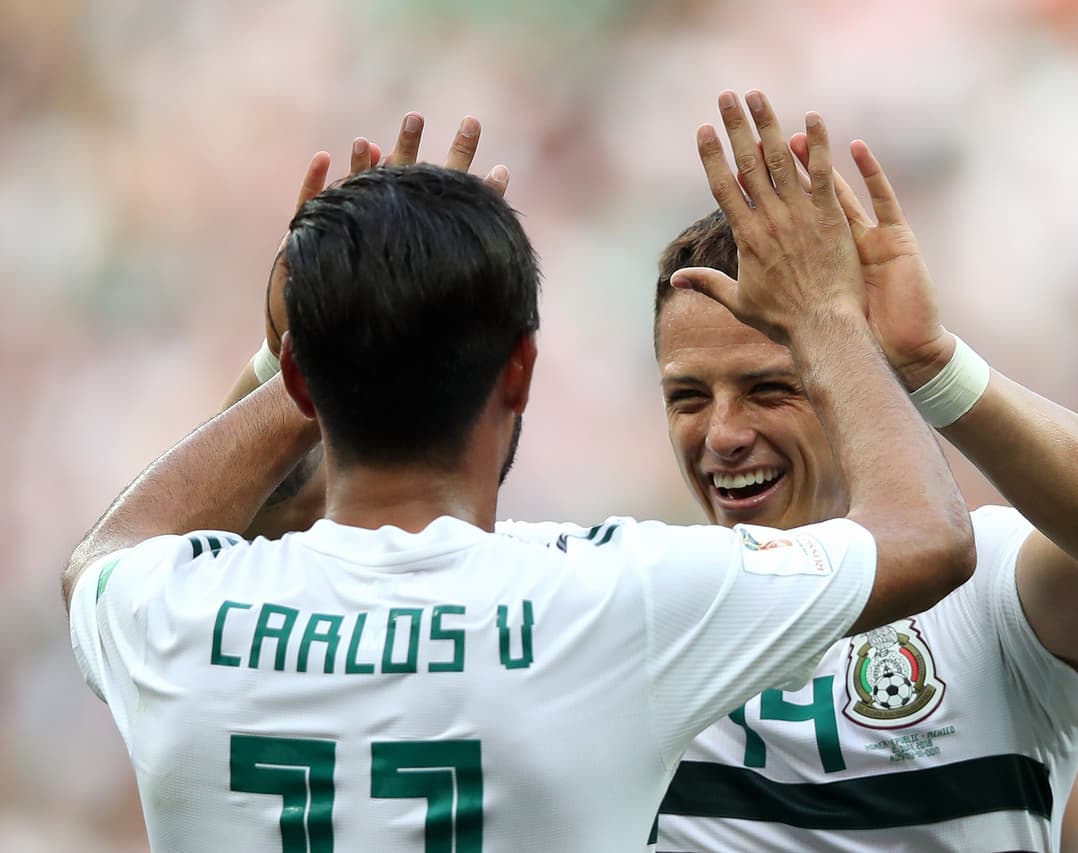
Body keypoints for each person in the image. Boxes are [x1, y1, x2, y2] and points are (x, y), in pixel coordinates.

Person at [63, 95, 976, 852]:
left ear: (303, 379)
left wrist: (324, 333)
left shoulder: (170, 613)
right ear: (521, 370)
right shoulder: (615, 599)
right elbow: (928, 535)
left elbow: (107, 552)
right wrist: (825, 315)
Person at [648, 128, 1078, 850]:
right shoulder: (639, 611)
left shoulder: (983, 584)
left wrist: (930, 364)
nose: (722, 434)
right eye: (688, 397)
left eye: (771, 388)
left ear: (853, 379)